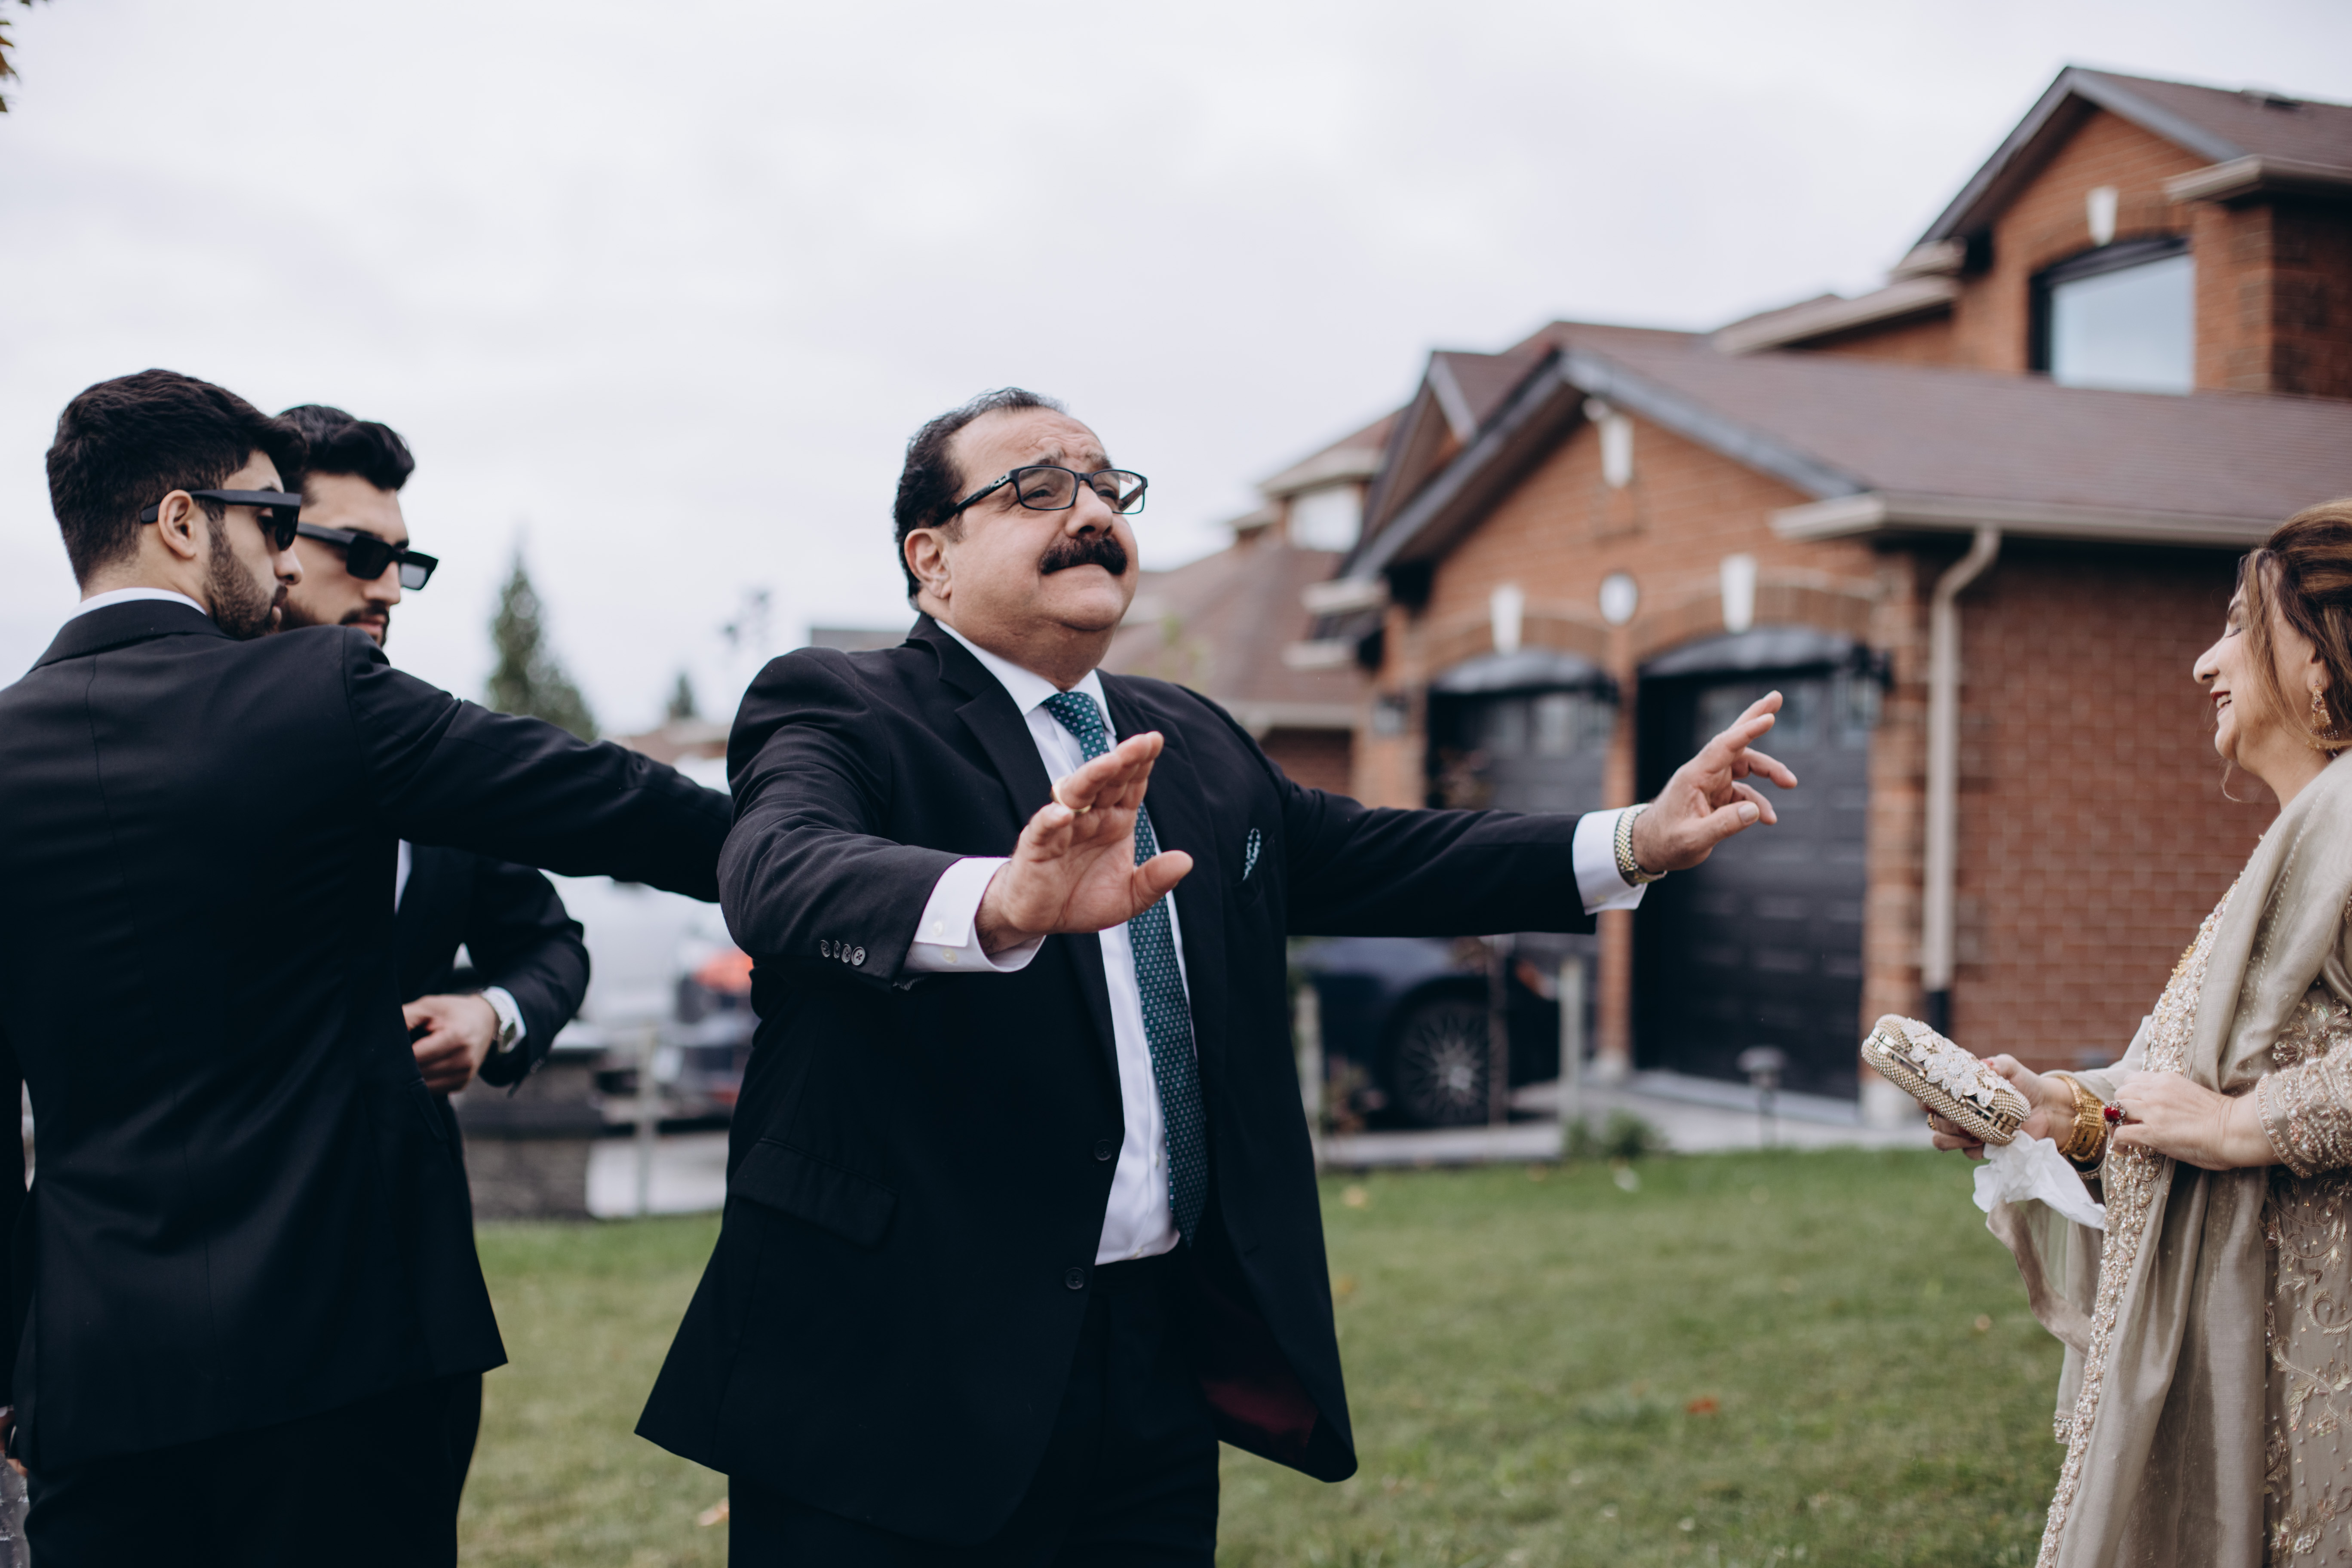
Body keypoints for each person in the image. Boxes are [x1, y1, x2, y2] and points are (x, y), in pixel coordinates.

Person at [637, 387, 1798, 1563]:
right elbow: (775, 869)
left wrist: (1632, 839)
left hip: (1149, 1363)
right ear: (928, 558)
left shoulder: (1187, 737)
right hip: (889, 1368)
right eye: (1036, 489)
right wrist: (998, 901)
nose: (1090, 513)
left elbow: (1378, 856)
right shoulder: (837, 702)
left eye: (1107, 487)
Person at [0, 369, 731, 1567]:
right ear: (182, 523)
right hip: (338, 1360)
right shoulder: (320, 693)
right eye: (269, 522)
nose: (283, 558)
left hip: (97, 1377)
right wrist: (854, 865)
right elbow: (608, 802)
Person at [1931, 498, 2352, 1568]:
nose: (2204, 661)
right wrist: (2060, 1110)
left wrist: (2244, 1128)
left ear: (2321, 656)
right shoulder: (2302, 839)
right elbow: (2192, 1078)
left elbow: (2225, 1105)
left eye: (2239, 625)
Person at [276, 401, 593, 1498]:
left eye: (402, 562)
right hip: (201, 1298)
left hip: (409, 1286)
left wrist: (490, 1013)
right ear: (267, 540)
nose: (387, 589)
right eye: (360, 554)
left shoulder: (430, 753)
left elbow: (549, 941)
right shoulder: (148, 752)